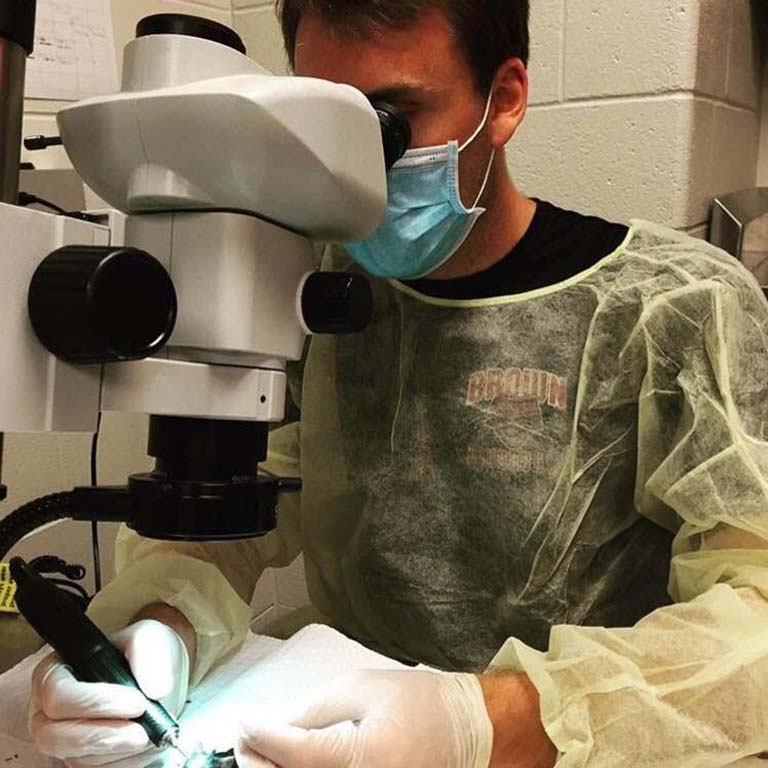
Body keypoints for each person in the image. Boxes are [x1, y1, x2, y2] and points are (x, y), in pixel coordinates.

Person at [27, 1, 768, 766]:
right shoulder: (302, 281)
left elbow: (758, 621)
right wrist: (163, 621)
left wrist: (484, 721)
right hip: (334, 724)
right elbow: (257, 505)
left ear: (504, 98)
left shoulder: (675, 304)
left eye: (392, 116)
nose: (354, 158)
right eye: (332, 117)